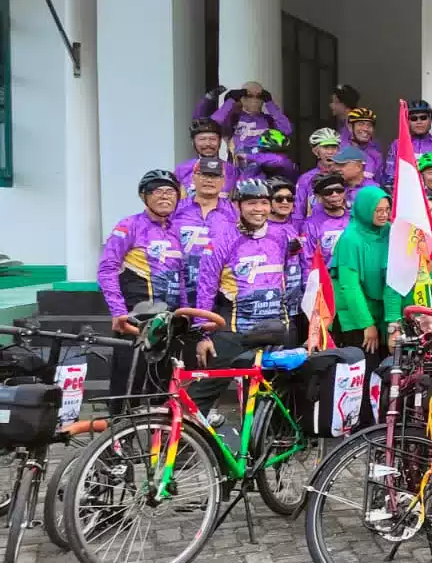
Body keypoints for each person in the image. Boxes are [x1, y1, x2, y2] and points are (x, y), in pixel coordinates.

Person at [98, 170, 186, 404]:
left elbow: (183, 278)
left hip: (168, 321)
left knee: (163, 387)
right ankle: (119, 437)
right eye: (157, 191)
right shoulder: (129, 226)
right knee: (128, 385)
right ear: (143, 196)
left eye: (170, 192)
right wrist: (118, 311)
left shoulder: (177, 230)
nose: (165, 197)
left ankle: (162, 437)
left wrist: (186, 315)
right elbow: (107, 269)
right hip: (136, 321)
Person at [193, 179, 300, 343]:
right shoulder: (221, 239)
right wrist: (203, 335)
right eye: (251, 203)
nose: (258, 209)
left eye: (264, 203)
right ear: (237, 206)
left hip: (278, 328)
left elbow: (283, 276)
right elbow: (206, 287)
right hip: (236, 332)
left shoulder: (280, 236)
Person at [333, 186, 403, 390]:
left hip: (383, 313)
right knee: (364, 373)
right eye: (377, 210)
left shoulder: (390, 232)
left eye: (386, 209)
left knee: (389, 374)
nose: (383, 215)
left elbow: (394, 279)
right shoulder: (350, 239)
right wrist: (367, 325)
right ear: (364, 210)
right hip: (357, 319)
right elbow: (350, 287)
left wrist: (392, 323)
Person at [173, 157, 237, 306]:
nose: (209, 180)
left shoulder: (235, 213)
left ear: (223, 182)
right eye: (204, 175)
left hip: (218, 294)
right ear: (193, 178)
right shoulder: (175, 210)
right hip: (178, 290)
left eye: (215, 176)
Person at [211, 81, 294, 158]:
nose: (254, 100)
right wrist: (231, 100)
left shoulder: (269, 120)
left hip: (266, 168)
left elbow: (287, 130)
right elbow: (212, 125)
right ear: (241, 98)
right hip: (239, 168)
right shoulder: (233, 118)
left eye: (259, 97)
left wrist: (270, 104)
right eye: (249, 96)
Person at [386, 100, 432, 185]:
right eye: (413, 118)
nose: (419, 122)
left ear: (430, 120)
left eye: (423, 117)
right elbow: (389, 176)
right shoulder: (397, 145)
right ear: (406, 121)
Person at [301, 172, 350, 265]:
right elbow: (307, 261)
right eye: (328, 192)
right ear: (319, 197)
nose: (335, 194)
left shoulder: (354, 219)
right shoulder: (310, 225)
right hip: (325, 277)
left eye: (339, 190)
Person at [177, 118, 237, 194]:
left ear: (220, 142)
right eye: (202, 139)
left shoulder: (231, 170)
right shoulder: (182, 169)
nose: (208, 144)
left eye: (212, 139)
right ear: (193, 142)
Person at [294, 128, 344, 218]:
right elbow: (298, 212)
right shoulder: (306, 178)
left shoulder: (346, 174)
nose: (330, 152)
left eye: (334, 147)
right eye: (325, 147)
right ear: (315, 151)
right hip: (314, 228)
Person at [342, 107, 385, 179]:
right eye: (360, 124)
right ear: (350, 127)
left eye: (369, 125)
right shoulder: (339, 151)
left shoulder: (376, 154)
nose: (365, 128)